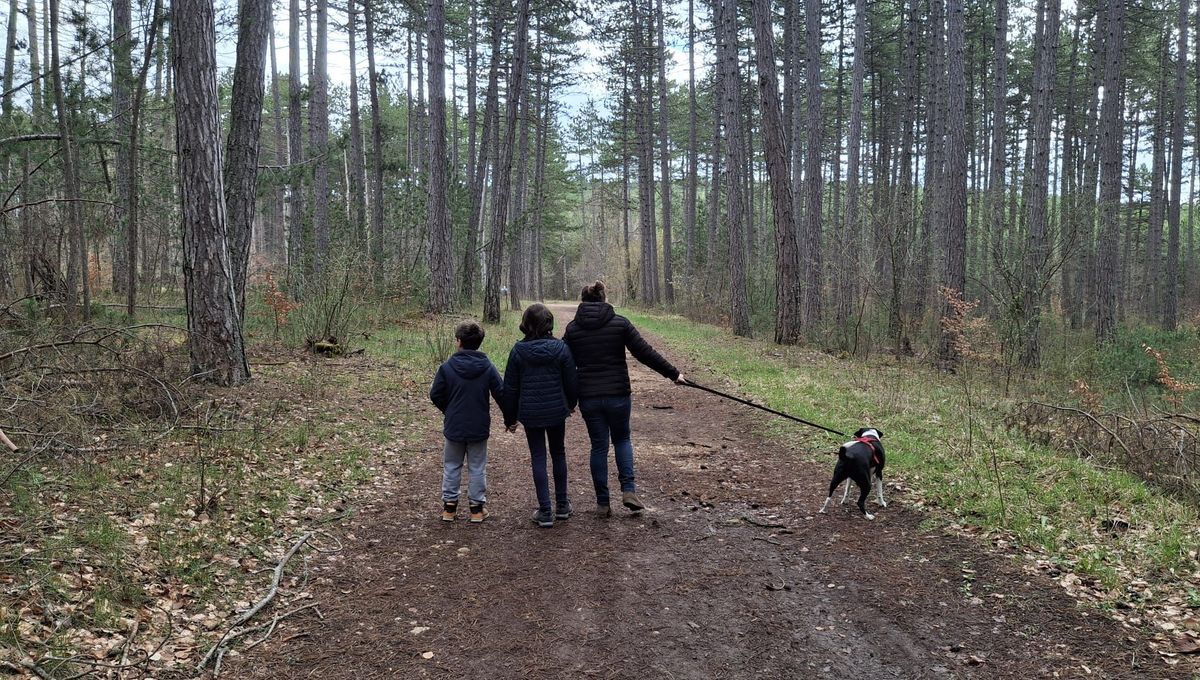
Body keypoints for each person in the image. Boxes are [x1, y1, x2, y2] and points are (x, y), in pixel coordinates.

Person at [563, 281, 687, 517]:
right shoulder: (619, 323)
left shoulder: (572, 329)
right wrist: (673, 374)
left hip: (589, 397)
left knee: (598, 446)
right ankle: (628, 490)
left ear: (582, 300)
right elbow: (645, 352)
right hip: (618, 395)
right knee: (622, 439)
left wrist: (567, 399)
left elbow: (564, 363)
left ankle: (602, 502)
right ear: (603, 298)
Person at [502, 304, 579, 528]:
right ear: (549, 323)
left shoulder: (518, 351)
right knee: (558, 453)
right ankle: (562, 505)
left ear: (526, 324)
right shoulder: (561, 348)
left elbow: (511, 388)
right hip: (556, 411)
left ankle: (545, 511)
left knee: (538, 456)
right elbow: (571, 380)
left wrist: (510, 418)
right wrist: (571, 404)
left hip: (531, 414)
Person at [429, 320, 505, 523]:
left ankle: (449, 508)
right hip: (479, 425)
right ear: (479, 342)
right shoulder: (487, 367)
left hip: (454, 425)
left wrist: (449, 409)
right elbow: (501, 393)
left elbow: (435, 394)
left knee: (452, 465)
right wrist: (510, 418)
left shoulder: (447, 367)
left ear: (458, 341)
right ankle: (477, 509)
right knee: (477, 466)